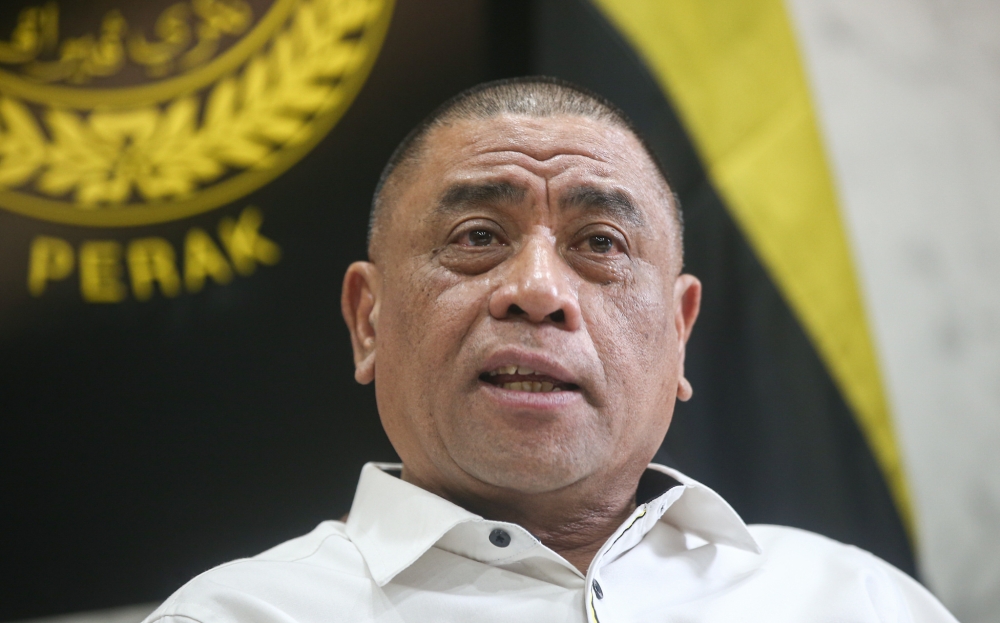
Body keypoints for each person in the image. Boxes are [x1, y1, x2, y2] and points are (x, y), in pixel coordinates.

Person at [143, 77, 957, 623]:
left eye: (599, 242)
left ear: (680, 335)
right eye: (476, 237)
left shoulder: (858, 599)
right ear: (368, 320)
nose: (537, 288)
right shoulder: (234, 614)